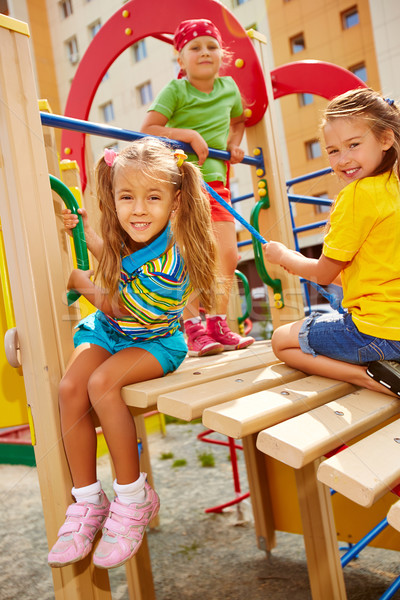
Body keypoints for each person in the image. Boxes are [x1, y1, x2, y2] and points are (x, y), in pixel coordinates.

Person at [48, 137, 218, 569]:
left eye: (152, 197)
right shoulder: (128, 236)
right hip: (112, 333)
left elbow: (121, 305)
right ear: (113, 198)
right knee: (71, 388)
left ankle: (133, 497)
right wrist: (83, 235)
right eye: (127, 197)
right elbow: (115, 265)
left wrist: (77, 279)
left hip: (155, 342)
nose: (138, 209)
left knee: (102, 385)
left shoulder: (171, 262)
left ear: (175, 202)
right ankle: (86, 502)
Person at [263, 88, 400, 397]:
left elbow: (324, 275)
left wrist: (285, 256)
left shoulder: (356, 196)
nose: (344, 159)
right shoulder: (393, 186)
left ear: (385, 139)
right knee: (330, 312)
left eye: (353, 145)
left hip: (375, 333)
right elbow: (347, 274)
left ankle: (370, 377)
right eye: (333, 150)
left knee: (280, 340)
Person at [140, 18, 254, 357]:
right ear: (181, 58)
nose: (204, 52)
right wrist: (188, 136)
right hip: (184, 180)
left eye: (211, 46)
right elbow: (149, 126)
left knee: (228, 254)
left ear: (222, 54)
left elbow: (239, 119)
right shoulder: (177, 91)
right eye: (195, 47)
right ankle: (193, 329)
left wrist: (234, 144)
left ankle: (218, 323)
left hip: (216, 181)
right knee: (187, 255)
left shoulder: (229, 89)